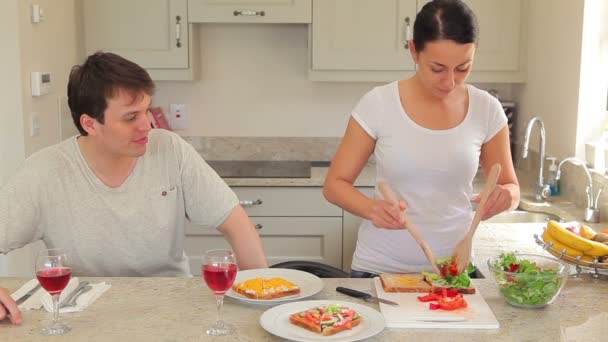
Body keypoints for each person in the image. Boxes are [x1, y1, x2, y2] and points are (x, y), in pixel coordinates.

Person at [0, 52, 267, 324]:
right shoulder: (45, 171)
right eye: (130, 118)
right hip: (83, 317)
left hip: (172, 309)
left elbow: (236, 224)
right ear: (90, 124)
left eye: (147, 110)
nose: (146, 125)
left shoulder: (170, 149)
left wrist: (261, 298)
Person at [323, 0, 520, 278]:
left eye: (463, 68)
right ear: (414, 50)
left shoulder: (486, 109)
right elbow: (334, 185)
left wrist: (507, 196)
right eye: (437, 68)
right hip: (380, 270)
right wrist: (372, 209)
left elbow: (510, 186)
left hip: (456, 271)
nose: (450, 81)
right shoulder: (378, 103)